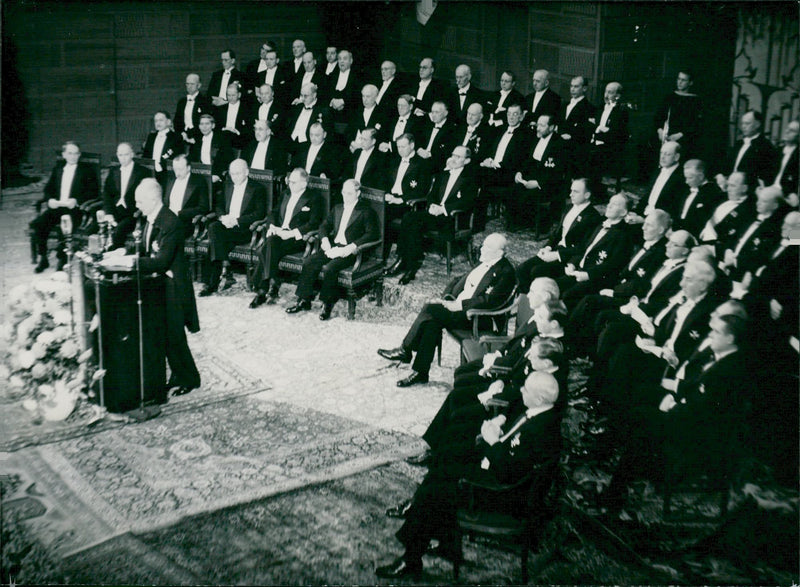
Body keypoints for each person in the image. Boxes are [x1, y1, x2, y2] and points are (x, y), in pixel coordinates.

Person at [375, 371, 561, 579]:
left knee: (434, 491)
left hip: (501, 492)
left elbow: (509, 471)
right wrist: (497, 432)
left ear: (540, 398)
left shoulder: (541, 429)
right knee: (445, 458)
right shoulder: (541, 413)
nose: (521, 390)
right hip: (496, 467)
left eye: (526, 389)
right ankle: (446, 543)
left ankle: (411, 559)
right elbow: (515, 452)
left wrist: (493, 441)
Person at [599, 312, 750, 515]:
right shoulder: (722, 356)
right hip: (689, 411)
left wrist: (672, 406)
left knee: (641, 421)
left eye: (716, 332)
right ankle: (625, 456)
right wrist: (674, 397)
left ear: (730, 338)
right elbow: (697, 387)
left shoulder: (731, 369)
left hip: (700, 433)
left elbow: (708, 412)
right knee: (641, 398)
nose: (710, 335)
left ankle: (615, 494)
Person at [101, 178, 201, 402]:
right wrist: (121, 252)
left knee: (174, 337)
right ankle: (179, 374)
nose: (137, 206)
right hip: (159, 285)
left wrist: (130, 262)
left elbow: (161, 261)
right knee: (165, 336)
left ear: (154, 199)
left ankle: (189, 378)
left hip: (174, 288)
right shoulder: (151, 217)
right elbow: (144, 247)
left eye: (140, 201)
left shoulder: (170, 222)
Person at [377, 232, 516, 386]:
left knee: (431, 309)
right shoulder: (484, 260)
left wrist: (459, 305)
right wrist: (447, 298)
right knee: (432, 322)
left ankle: (405, 350)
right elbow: (459, 280)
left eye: (487, 247)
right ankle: (420, 372)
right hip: (458, 306)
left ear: (499, 253)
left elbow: (488, 301)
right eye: (482, 245)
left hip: (477, 317)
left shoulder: (506, 272)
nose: (481, 249)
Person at [286, 178, 379, 320]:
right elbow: (324, 226)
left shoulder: (366, 211)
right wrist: (324, 239)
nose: (345, 196)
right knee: (309, 262)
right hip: (333, 246)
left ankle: (327, 304)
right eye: (344, 192)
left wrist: (352, 246)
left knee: (330, 268)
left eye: (349, 193)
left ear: (358, 193)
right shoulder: (338, 208)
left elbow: (372, 233)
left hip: (351, 251)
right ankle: (304, 300)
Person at [390, 146, 478, 284]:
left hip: (452, 218)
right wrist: (432, 205)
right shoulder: (443, 174)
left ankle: (410, 267)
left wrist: (444, 209)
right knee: (409, 218)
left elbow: (468, 202)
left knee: (414, 224)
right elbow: (431, 195)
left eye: (458, 157)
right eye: (453, 155)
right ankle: (402, 260)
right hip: (435, 213)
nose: (453, 159)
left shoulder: (470, 178)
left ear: (467, 161)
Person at [249, 168, 326, 308]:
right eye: (289, 182)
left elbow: (314, 223)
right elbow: (273, 213)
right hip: (279, 234)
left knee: (266, 248)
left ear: (304, 183)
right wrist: (272, 227)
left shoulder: (315, 198)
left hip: (297, 239)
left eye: (294, 182)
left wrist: (290, 233)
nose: (290, 185)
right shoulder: (286, 193)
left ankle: (263, 289)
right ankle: (269, 286)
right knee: (270, 244)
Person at [515, 178, 602, 293]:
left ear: (587, 195)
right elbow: (557, 233)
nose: (571, 194)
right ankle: (525, 299)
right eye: (571, 190)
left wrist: (557, 255)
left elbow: (583, 247)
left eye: (576, 192)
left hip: (569, 256)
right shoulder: (568, 207)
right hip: (555, 249)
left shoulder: (593, 217)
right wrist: (548, 247)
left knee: (536, 271)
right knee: (522, 269)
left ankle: (538, 300)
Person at [199, 159, 267, 296]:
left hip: (244, 229)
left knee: (214, 241)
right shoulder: (227, 185)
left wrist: (236, 221)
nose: (234, 177)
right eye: (232, 174)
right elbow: (218, 205)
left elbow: (259, 214)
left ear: (246, 172)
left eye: (238, 173)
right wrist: (223, 217)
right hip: (226, 225)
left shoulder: (257, 188)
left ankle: (214, 281)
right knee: (214, 228)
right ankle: (224, 270)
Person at [33, 140, 99, 272]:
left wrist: (77, 200)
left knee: (65, 227)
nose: (73, 156)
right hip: (57, 207)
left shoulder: (87, 171)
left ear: (79, 155)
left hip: (74, 210)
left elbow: (94, 191)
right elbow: (48, 188)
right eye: (70, 153)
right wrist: (50, 199)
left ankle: (62, 260)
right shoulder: (58, 169)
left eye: (76, 153)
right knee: (39, 224)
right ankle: (43, 258)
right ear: (64, 155)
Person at [477, 103, 534, 231]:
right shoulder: (499, 130)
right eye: (509, 114)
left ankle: (511, 223)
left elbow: (521, 159)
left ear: (521, 117)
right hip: (492, 170)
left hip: (508, 173)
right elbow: (489, 149)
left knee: (487, 181)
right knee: (475, 178)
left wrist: (497, 165)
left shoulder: (526, 134)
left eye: (515, 114)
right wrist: (488, 160)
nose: (511, 117)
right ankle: (475, 221)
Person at [510, 113, 567, 231]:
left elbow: (557, 172)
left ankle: (534, 223)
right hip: (532, 176)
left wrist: (538, 183)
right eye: (538, 125)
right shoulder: (535, 138)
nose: (538, 128)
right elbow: (528, 160)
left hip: (548, 182)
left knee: (528, 195)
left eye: (542, 125)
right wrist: (520, 172)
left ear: (551, 127)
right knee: (513, 188)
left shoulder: (559, 144)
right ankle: (520, 221)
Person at [382, 133, 433, 259]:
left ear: (412, 145)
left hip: (408, 202)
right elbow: (385, 182)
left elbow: (422, 190)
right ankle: (377, 252)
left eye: (403, 147)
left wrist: (401, 199)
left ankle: (400, 256)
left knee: (385, 213)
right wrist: (386, 194)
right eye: (398, 147)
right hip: (390, 199)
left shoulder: (422, 164)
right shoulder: (394, 161)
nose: (400, 150)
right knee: (372, 210)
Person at [715, 110, 779, 192]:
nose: (743, 127)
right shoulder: (739, 144)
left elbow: (764, 176)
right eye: (742, 123)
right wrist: (720, 175)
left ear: (757, 124)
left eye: (747, 123)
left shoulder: (766, 146)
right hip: (729, 188)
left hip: (748, 191)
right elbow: (726, 165)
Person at [102, 142, 150, 248]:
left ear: (132, 154)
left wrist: (139, 211)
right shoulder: (113, 171)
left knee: (118, 231)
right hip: (115, 211)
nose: (123, 158)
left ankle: (114, 253)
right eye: (120, 155)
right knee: (97, 228)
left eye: (126, 154)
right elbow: (107, 193)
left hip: (133, 213)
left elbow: (148, 196)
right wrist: (108, 213)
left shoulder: (143, 172)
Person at [627, 141, 684, 223]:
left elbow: (672, 208)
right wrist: (636, 212)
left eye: (667, 154)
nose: (662, 157)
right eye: (661, 153)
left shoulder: (681, 178)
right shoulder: (658, 171)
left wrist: (644, 220)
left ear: (676, 157)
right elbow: (648, 196)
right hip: (645, 213)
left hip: (658, 221)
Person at [589, 82, 630, 192]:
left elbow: (618, 133)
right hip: (596, 142)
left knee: (596, 157)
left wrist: (602, 129)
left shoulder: (621, 111)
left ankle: (598, 191)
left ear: (618, 96)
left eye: (610, 92)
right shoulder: (600, 108)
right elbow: (594, 124)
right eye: (605, 92)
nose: (606, 95)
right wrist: (600, 128)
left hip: (610, 147)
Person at [673, 159, 724, 237]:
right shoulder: (686, 191)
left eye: (690, 178)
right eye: (686, 178)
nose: (686, 181)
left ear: (701, 176)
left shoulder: (713, 193)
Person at [559, 76, 596, 178]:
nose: (572, 89)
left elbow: (586, 130)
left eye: (576, 86)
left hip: (576, 150)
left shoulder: (589, 108)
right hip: (560, 147)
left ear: (584, 88)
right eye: (571, 86)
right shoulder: (564, 105)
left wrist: (571, 135)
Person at [163, 154, 209, 236]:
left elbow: (203, 207)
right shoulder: (170, 179)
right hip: (166, 218)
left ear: (188, 168)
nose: (177, 173)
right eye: (175, 169)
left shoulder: (198, 181)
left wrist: (180, 213)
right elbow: (165, 201)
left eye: (180, 169)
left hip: (184, 221)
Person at [187, 113, 235, 185]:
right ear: (199, 126)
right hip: (200, 173)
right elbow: (191, 158)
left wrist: (219, 175)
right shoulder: (197, 141)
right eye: (202, 124)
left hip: (215, 175)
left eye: (207, 124)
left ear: (213, 125)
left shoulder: (222, 139)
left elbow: (228, 159)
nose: (204, 127)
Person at [415, 100, 457, 171]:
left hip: (436, 163)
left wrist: (430, 154)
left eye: (437, 112)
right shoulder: (426, 124)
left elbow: (447, 151)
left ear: (445, 113)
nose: (433, 115)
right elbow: (417, 139)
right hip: (420, 158)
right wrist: (419, 149)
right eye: (432, 112)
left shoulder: (452, 129)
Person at [174, 73, 214, 148]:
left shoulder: (205, 101)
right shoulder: (182, 102)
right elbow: (177, 121)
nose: (189, 86)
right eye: (187, 84)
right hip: (183, 136)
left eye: (192, 84)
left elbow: (206, 122)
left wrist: (194, 136)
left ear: (199, 85)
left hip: (199, 137)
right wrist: (182, 133)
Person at [141, 111, 181, 182]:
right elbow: (146, 155)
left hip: (168, 174)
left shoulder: (176, 137)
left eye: (161, 120)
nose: (158, 123)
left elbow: (176, 156)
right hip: (151, 173)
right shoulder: (151, 137)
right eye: (156, 121)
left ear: (168, 122)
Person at [287, 83, 331, 147]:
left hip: (308, 144)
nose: (302, 98)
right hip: (291, 141)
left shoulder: (323, 110)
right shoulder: (298, 107)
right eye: (301, 95)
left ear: (314, 95)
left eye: (306, 96)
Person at [328, 50, 361, 137]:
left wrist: (343, 101)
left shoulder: (357, 76)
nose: (342, 61)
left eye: (345, 58)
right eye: (339, 59)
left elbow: (357, 96)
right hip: (332, 114)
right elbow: (326, 93)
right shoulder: (331, 76)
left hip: (349, 114)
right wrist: (332, 101)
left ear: (351, 61)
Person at [214, 82, 253, 151]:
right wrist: (224, 129)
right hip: (223, 136)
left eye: (233, 95)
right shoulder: (221, 109)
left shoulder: (246, 109)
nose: (231, 98)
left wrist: (237, 131)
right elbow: (217, 125)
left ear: (239, 95)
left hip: (239, 138)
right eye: (228, 95)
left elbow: (249, 127)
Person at [773, 119, 799, 205]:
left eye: (792, 130)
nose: (787, 131)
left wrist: (790, 193)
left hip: (786, 193)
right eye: (787, 128)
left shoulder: (797, 155)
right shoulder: (777, 151)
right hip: (771, 189)